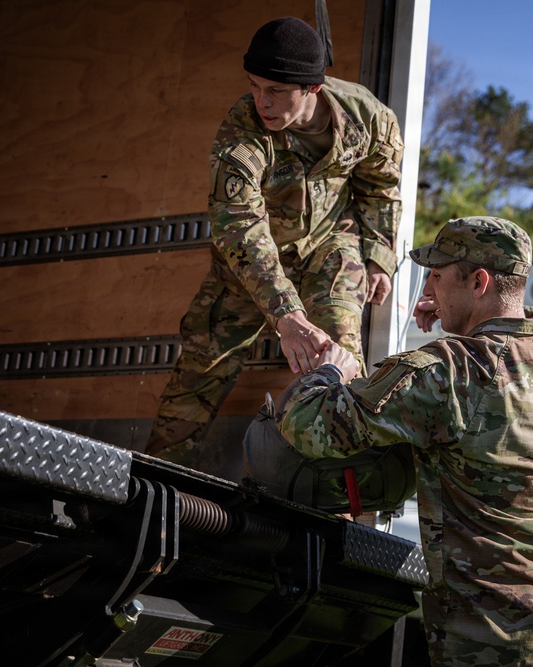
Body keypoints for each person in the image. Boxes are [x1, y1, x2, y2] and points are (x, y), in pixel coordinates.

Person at [274, 217, 533, 666]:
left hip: (489, 648)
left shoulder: (449, 370)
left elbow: (307, 424)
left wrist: (331, 370)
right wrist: (462, 318)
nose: (428, 286)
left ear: (478, 281)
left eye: (436, 275)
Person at [147, 17, 404, 470]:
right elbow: (239, 225)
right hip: (253, 263)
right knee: (201, 370)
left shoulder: (368, 118)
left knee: (340, 361)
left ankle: (339, 499)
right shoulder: (242, 128)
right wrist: (287, 316)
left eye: (277, 91)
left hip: (330, 248)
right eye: (254, 86)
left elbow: (380, 186)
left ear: (312, 88)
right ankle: (150, 483)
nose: (262, 101)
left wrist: (380, 256)